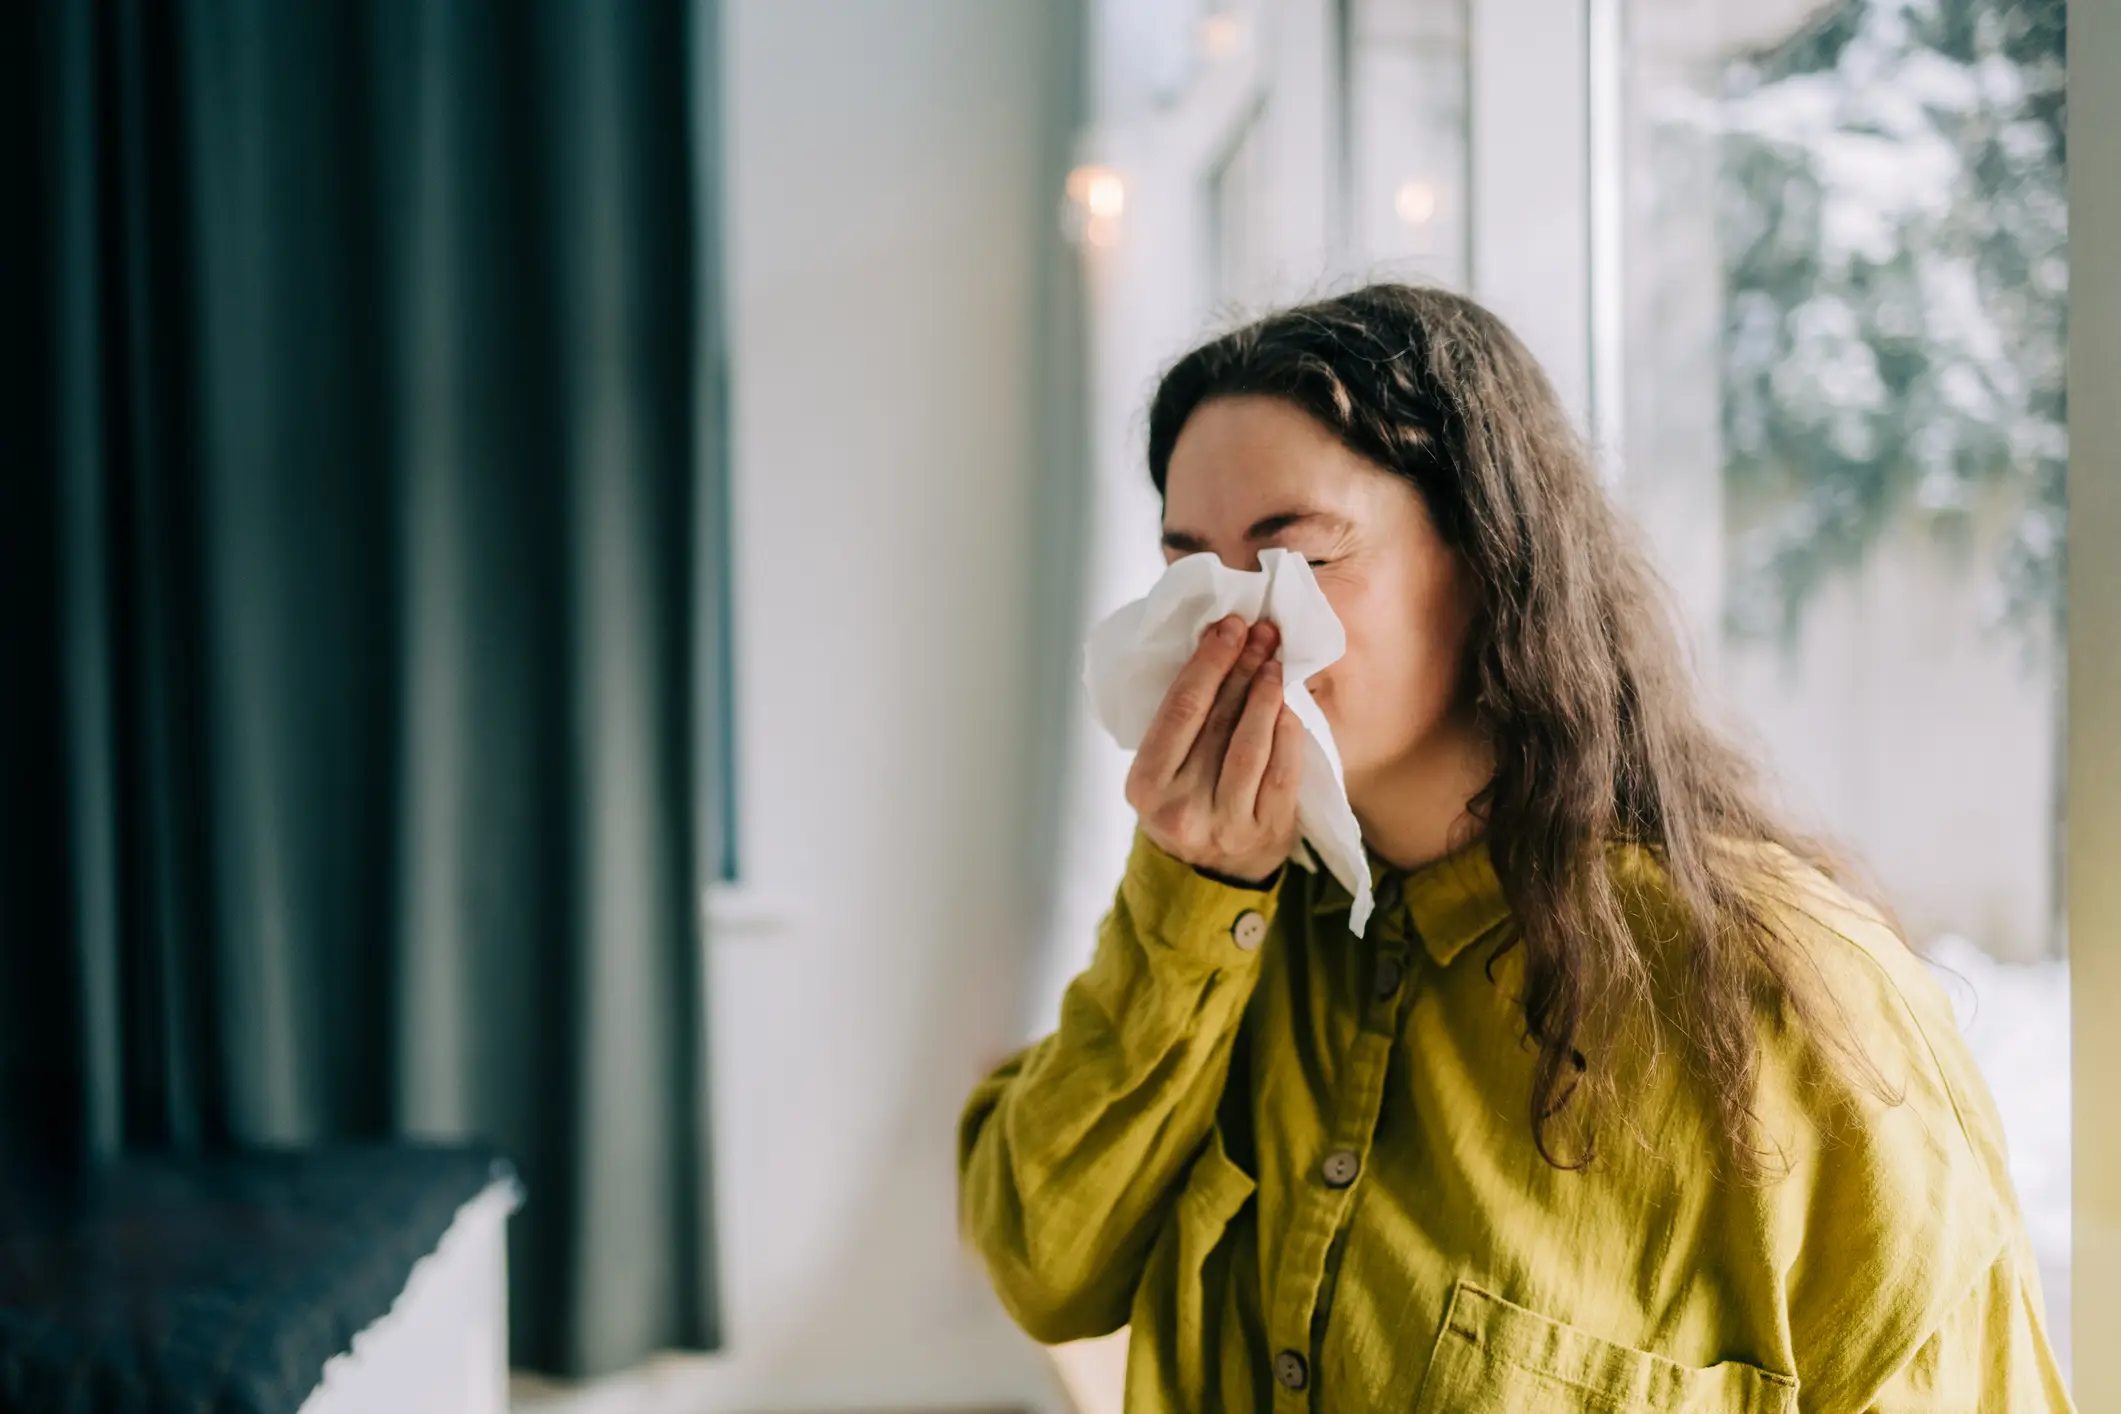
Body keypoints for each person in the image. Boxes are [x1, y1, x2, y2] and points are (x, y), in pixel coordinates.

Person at [957, 285, 2073, 1412]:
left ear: (1488, 564)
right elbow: (1044, 1261)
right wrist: (1196, 889)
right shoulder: (1237, 924)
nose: (1228, 624)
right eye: (1188, 565)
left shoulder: (1787, 995)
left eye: (1296, 558)